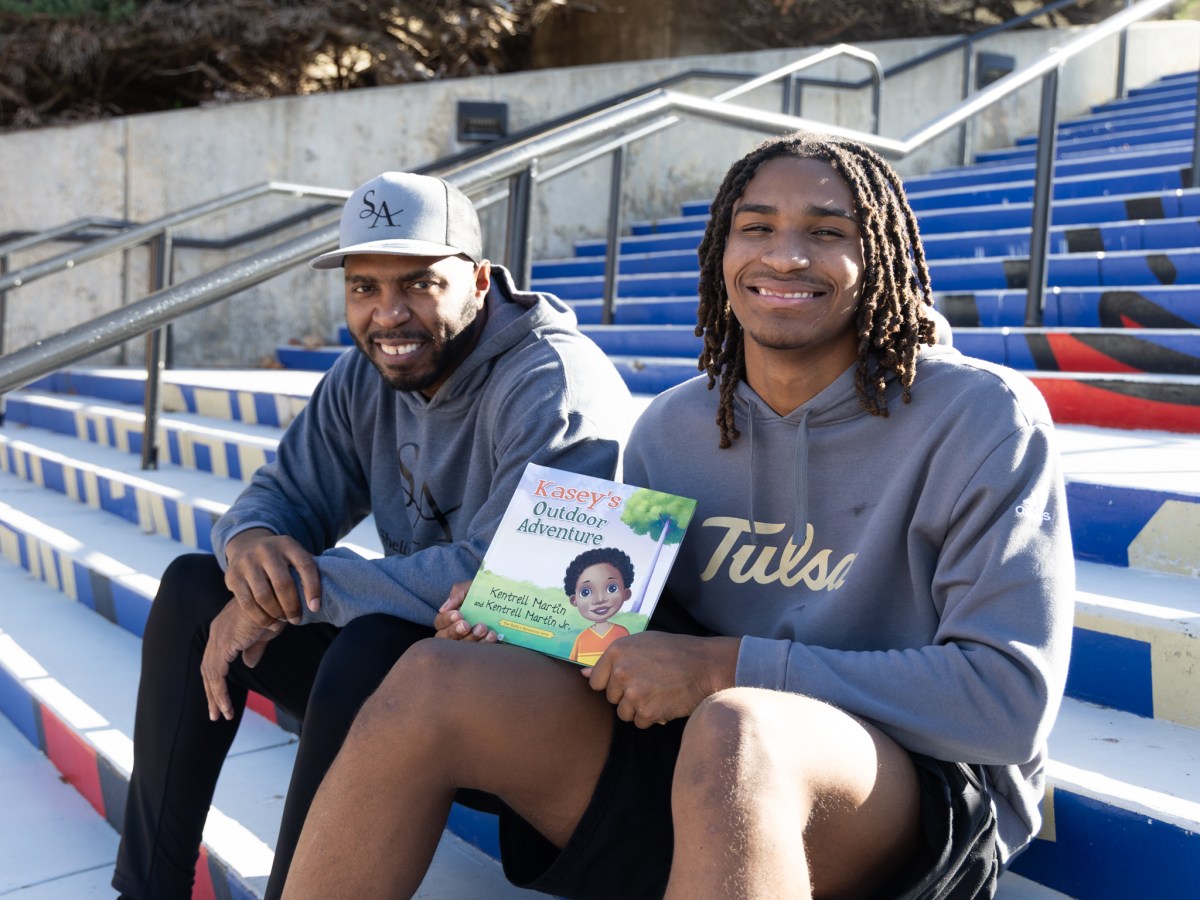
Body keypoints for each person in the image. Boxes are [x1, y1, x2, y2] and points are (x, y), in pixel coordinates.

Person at [280, 133, 1075, 899]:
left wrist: (726, 668)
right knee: (435, 676)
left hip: (905, 790)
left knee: (740, 729)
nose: (785, 255)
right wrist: (521, 619)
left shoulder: (980, 417)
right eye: (755, 227)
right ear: (721, 255)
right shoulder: (674, 428)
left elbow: (1004, 704)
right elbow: (637, 634)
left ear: (879, 257)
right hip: (701, 768)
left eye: (827, 231)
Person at [111, 170, 633, 900]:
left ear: (479, 281)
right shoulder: (367, 375)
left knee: (373, 641)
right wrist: (252, 545)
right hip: (424, 659)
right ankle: (146, 891)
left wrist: (293, 597)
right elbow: (279, 496)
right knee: (197, 588)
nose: (390, 315)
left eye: (420, 284)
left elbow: (517, 584)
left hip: (531, 704)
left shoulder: (554, 382)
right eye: (364, 288)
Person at [565, 547, 635, 666]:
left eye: (611, 588)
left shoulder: (622, 632)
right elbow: (571, 664)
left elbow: (629, 662)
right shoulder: (582, 638)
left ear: (626, 594)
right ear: (574, 600)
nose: (599, 599)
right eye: (585, 592)